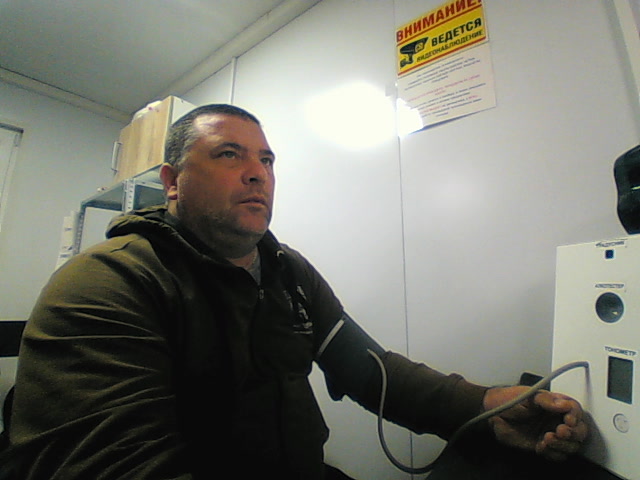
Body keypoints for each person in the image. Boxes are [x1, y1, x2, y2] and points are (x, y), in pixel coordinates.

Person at [8, 104, 587, 479]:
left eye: (266, 159)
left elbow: (373, 372)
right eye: (229, 154)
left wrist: (491, 407)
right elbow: (114, 468)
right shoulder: (109, 282)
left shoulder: (287, 272)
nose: (257, 172)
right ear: (172, 182)